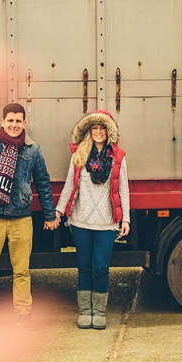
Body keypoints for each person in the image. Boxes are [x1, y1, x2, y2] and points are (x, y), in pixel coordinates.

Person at [0, 103, 60, 330]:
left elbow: (43, 183)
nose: (14, 125)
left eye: (18, 121)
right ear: (2, 122)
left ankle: (23, 314)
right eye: (10, 120)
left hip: (21, 218)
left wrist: (49, 214)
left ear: (24, 123)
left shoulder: (33, 150)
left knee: (22, 270)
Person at [55, 110, 130, 330]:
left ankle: (99, 312)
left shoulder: (118, 158)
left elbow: (123, 189)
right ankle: (85, 312)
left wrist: (125, 219)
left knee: (100, 267)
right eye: (94, 128)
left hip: (106, 223)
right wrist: (59, 212)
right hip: (81, 222)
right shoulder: (78, 155)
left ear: (109, 132)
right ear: (89, 131)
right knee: (84, 267)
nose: (98, 132)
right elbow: (70, 185)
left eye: (102, 128)